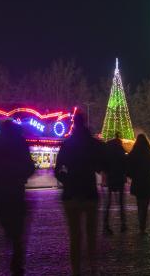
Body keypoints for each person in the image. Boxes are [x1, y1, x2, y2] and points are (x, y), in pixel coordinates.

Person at [0, 119, 35, 275]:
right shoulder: (20, 141)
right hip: (17, 190)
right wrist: (20, 174)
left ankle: (7, 249)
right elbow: (30, 167)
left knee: (5, 222)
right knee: (17, 227)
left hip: (1, 189)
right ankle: (16, 259)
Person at [55, 112, 104, 276]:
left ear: (73, 124)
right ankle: (93, 268)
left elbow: (58, 169)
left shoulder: (67, 144)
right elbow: (101, 165)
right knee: (91, 235)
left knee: (74, 236)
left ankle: (76, 270)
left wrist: (67, 181)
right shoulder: (93, 144)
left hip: (71, 194)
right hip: (90, 192)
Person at [126, 134, 150, 236]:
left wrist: (132, 175)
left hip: (137, 181)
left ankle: (141, 223)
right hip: (147, 181)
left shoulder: (134, 153)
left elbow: (127, 167)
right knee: (145, 205)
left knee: (139, 203)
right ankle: (142, 227)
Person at [103, 133, 127, 235]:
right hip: (120, 178)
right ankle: (123, 224)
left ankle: (106, 224)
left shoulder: (108, 151)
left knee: (108, 203)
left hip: (111, 178)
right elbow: (125, 164)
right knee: (121, 202)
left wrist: (106, 174)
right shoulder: (121, 150)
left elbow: (105, 165)